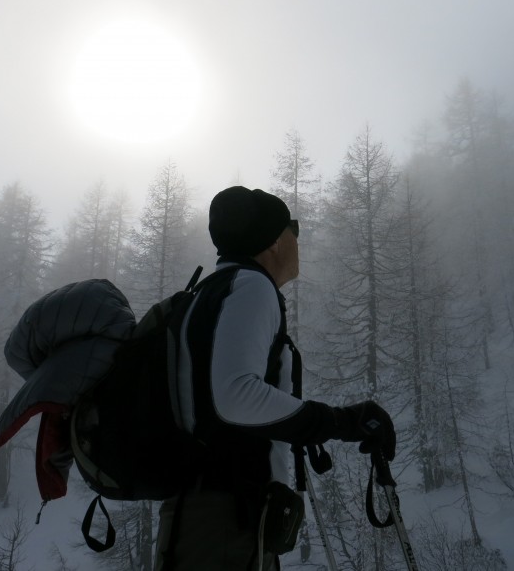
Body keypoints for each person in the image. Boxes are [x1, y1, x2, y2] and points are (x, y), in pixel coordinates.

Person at [154, 185, 397, 570]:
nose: (299, 238)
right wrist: (339, 422)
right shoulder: (250, 287)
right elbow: (235, 394)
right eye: (293, 228)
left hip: (204, 514)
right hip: (225, 522)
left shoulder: (208, 293)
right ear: (273, 242)